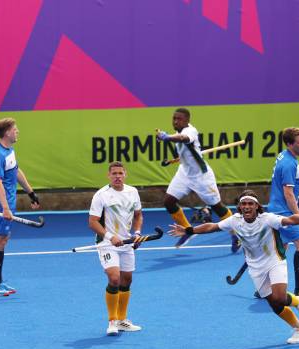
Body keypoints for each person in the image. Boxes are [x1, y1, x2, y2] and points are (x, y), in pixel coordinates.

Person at [169, 190, 299, 344]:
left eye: (250, 204)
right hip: (255, 268)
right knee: (274, 303)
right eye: (243, 204)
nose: (247, 207)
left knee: (280, 297)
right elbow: (212, 226)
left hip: (275, 261)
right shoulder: (234, 220)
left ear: (257, 206)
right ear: (239, 207)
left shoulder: (268, 219)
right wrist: (188, 230)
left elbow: (289, 220)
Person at [156, 108, 240, 252]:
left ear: (187, 120)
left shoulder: (190, 131)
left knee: (217, 208)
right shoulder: (177, 132)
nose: (175, 121)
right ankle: (188, 231)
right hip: (184, 173)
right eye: (174, 118)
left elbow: (184, 139)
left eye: (179, 119)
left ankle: (236, 234)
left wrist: (166, 137)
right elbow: (185, 151)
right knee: (168, 202)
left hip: (201, 177)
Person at [89, 161, 146, 336]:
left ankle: (122, 320)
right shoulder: (101, 195)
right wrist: (110, 237)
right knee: (114, 278)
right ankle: (112, 321)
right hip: (107, 243)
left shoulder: (132, 192)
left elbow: (138, 215)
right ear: (108, 176)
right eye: (114, 174)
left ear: (125, 174)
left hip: (126, 242)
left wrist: (136, 233)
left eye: (120, 173)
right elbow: (92, 222)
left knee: (126, 280)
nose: (117, 176)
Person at [0, 118, 40, 296]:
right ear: (7, 133)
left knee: (3, 240)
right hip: (0, 204)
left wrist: (31, 193)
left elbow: (16, 171)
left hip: (8, 202)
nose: (17, 132)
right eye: (15, 129)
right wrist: (5, 208)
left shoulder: (9, 151)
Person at [268, 127, 299, 299]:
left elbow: (289, 190)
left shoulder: (284, 156)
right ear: (289, 144)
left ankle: (265, 288)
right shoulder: (289, 163)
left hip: (277, 208)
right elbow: (288, 193)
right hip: (284, 212)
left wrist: (296, 196)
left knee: (280, 250)